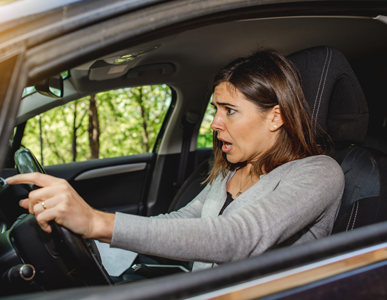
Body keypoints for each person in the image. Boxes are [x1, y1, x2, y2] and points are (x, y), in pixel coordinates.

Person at [6, 50, 344, 272]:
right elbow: (185, 220)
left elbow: (235, 238)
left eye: (230, 111)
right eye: (215, 109)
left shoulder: (318, 173)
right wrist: (96, 236)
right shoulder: (233, 169)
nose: (214, 124)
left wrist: (97, 222)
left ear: (275, 117)